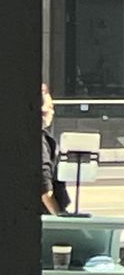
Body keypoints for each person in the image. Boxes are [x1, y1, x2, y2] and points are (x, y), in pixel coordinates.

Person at [39, 83, 69, 215]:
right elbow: (43, 182)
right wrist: (56, 215)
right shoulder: (39, 140)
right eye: (50, 107)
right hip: (44, 212)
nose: (52, 112)